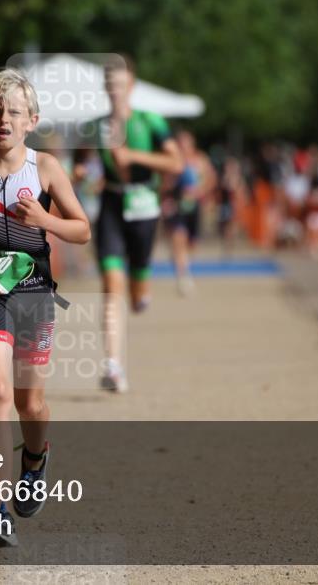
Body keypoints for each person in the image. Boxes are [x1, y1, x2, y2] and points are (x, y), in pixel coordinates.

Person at [0, 68, 91, 548]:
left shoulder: (46, 168)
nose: (3, 119)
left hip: (34, 289)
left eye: (13, 111)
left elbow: (81, 229)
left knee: (28, 401)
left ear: (31, 120)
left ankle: (36, 456)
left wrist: (44, 218)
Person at [74, 55, 183, 392]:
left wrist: (134, 156)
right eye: (110, 85)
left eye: (121, 85)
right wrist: (79, 173)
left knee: (136, 296)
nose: (115, 91)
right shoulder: (96, 126)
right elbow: (80, 161)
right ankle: (113, 366)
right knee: (111, 287)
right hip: (111, 204)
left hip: (144, 205)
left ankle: (142, 291)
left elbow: (175, 163)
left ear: (131, 86)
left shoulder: (151, 122)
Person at [161, 129, 217, 295]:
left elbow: (211, 179)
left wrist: (201, 191)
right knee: (179, 238)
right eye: (181, 143)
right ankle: (183, 276)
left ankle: (184, 266)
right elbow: (163, 183)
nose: (184, 147)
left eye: (186, 143)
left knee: (192, 243)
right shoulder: (171, 161)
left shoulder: (201, 160)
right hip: (177, 207)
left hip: (195, 207)